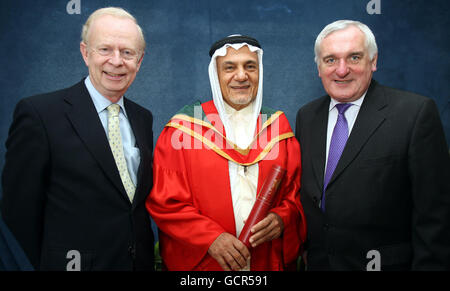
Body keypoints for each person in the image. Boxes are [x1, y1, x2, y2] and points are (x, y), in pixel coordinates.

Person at [0, 7, 154, 271]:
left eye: (127, 52)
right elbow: (18, 209)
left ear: (139, 62)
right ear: (85, 53)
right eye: (105, 49)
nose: (116, 61)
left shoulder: (143, 118)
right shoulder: (40, 114)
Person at [295, 20, 450, 270]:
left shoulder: (415, 114)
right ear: (319, 67)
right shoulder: (307, 116)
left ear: (373, 61)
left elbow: (435, 218)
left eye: (354, 57)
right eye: (331, 60)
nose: (342, 70)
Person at [146, 35, 306, 271]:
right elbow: (166, 202)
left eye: (249, 66)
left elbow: (296, 194)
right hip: (207, 265)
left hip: (264, 262)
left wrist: (282, 218)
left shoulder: (277, 127)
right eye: (229, 67)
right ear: (215, 75)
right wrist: (210, 238)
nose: (241, 76)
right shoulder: (185, 129)